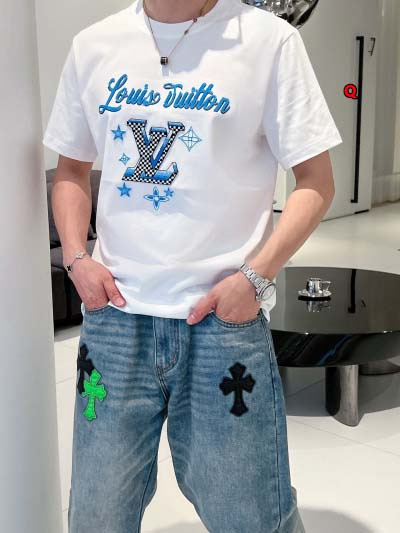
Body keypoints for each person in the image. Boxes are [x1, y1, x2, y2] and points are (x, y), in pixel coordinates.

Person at [43, 0, 342, 531]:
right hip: (115, 323)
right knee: (96, 515)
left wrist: (254, 278)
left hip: (221, 327)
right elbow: (71, 168)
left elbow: (316, 181)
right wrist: (76, 257)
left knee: (252, 516)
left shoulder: (268, 41)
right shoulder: (95, 45)